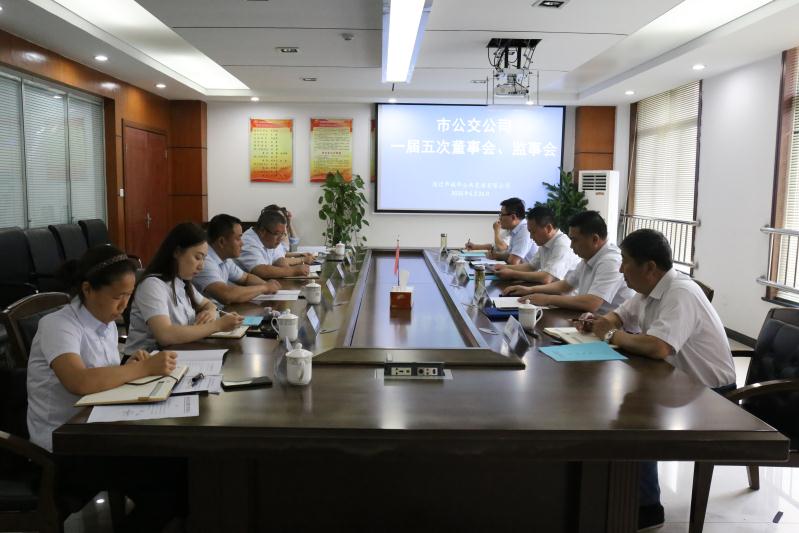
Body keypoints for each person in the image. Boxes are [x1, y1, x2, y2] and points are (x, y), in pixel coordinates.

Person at [575, 228, 736, 531]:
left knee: (634, 413)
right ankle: (610, 490)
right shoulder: (648, 290)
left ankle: (646, 509)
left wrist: (609, 334)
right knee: (610, 400)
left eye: (625, 261)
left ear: (649, 267)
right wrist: (601, 322)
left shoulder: (680, 293)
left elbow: (658, 347)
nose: (620, 269)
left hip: (712, 394)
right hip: (676, 380)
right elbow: (618, 316)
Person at [26, 245, 184, 531]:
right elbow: (79, 381)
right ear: (88, 289)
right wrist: (142, 369)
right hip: (62, 449)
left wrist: (129, 365)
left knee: (179, 469)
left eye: (128, 295)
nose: (124, 306)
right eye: (117, 296)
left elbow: (102, 373)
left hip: (99, 431)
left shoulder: (105, 322)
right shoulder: (58, 325)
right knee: (167, 489)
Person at [125, 222, 243, 354]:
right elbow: (165, 335)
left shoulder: (181, 281)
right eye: (197, 257)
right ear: (177, 252)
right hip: (145, 360)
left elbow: (208, 304)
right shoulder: (152, 285)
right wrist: (217, 325)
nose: (201, 266)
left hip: (177, 353)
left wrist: (210, 312)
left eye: (204, 259)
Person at [502, 210, 633, 314]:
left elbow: (591, 303)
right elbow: (565, 285)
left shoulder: (610, 261)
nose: (571, 245)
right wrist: (530, 290)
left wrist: (547, 299)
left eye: (575, 240)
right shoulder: (590, 256)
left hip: (611, 327)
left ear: (595, 239)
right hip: (587, 319)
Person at [193, 214, 281, 304]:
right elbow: (226, 295)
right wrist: (265, 288)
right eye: (238, 239)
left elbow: (246, 278)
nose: (242, 243)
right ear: (222, 242)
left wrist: (266, 284)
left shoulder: (225, 258)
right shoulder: (205, 261)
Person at [494, 205, 580, 284]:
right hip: (550, 290)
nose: (531, 237)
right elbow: (530, 267)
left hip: (564, 294)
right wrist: (503, 267)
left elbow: (546, 277)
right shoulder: (545, 242)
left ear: (548, 228)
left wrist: (513, 274)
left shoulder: (562, 244)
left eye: (533, 232)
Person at [239, 209, 312, 279]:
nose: (280, 239)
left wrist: (295, 272)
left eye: (282, 234)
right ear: (262, 231)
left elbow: (279, 260)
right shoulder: (248, 242)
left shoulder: (270, 239)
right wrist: (293, 271)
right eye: (277, 234)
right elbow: (260, 270)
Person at [484, 197, 536, 265]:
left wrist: (496, 256)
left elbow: (513, 262)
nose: (500, 218)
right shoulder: (515, 230)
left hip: (527, 271)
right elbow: (510, 254)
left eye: (502, 215)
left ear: (513, 217)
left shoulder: (525, 230)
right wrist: (495, 255)